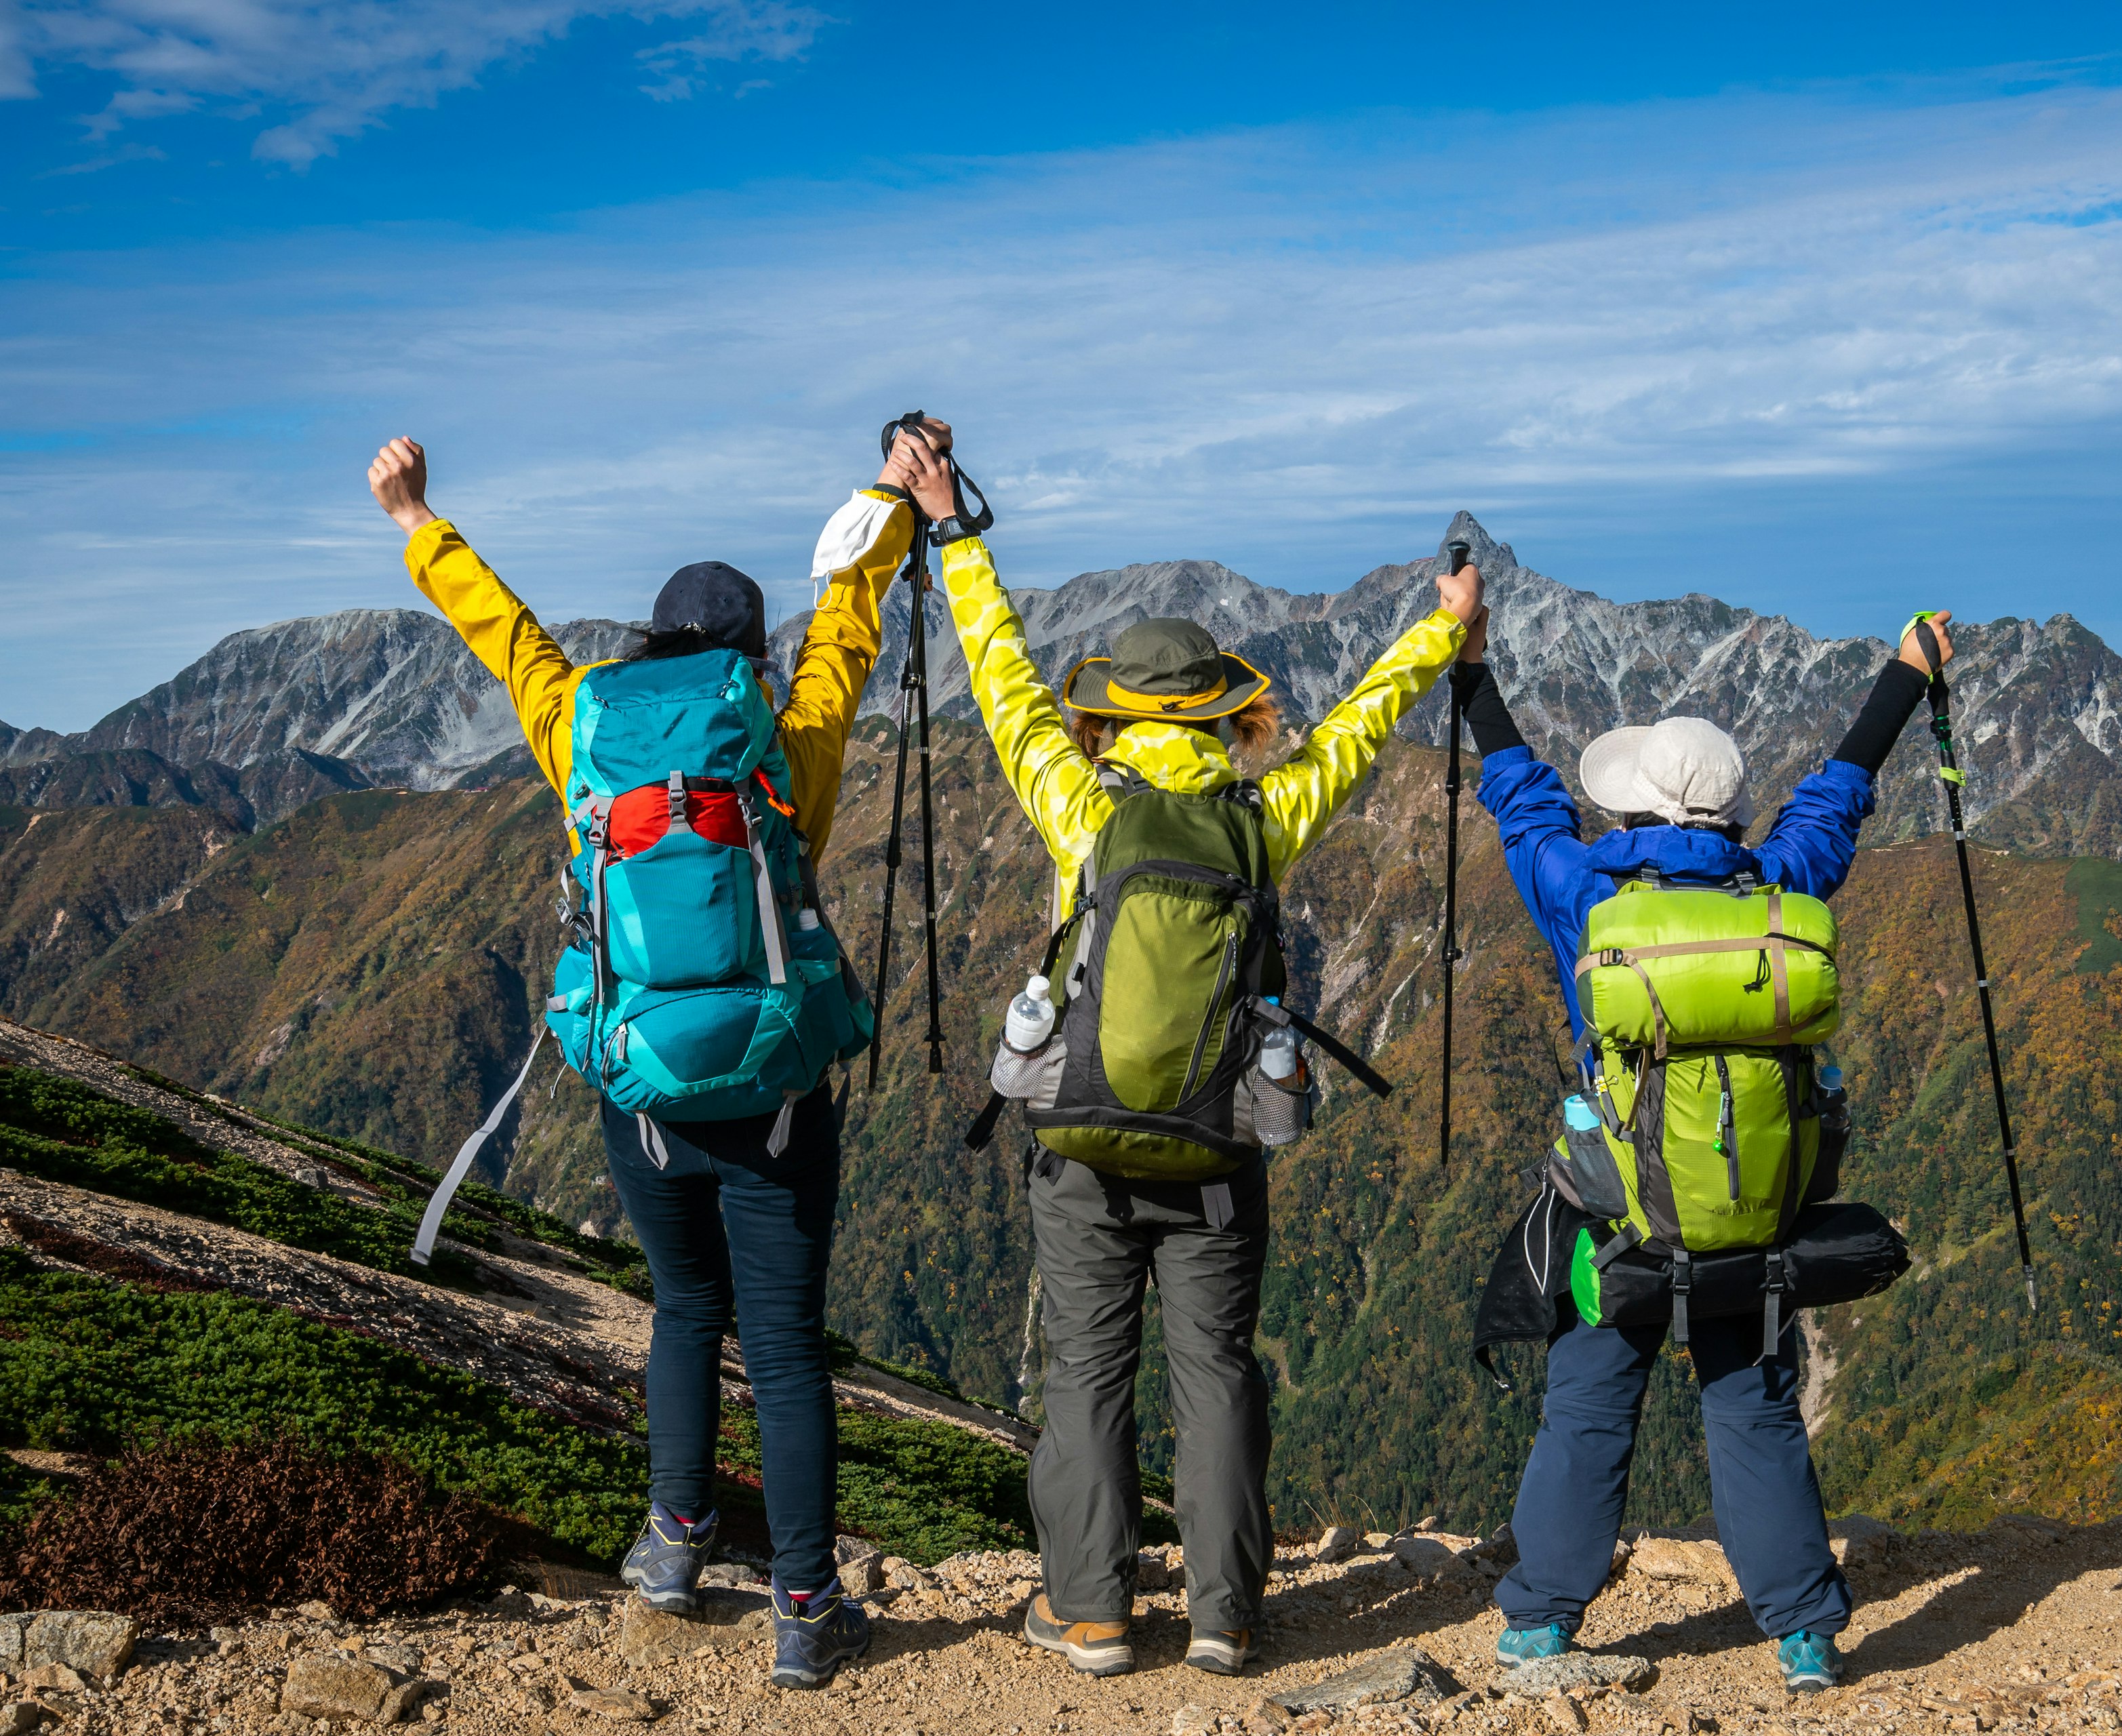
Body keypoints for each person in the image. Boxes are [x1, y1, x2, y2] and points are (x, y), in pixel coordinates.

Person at [881, 426, 1482, 1678]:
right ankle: (1223, 1611)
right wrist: (1443, 629)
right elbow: (1366, 725)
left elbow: (995, 674)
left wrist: (953, 531)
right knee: (1213, 1373)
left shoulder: (1082, 805)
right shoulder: (1264, 818)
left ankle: (1092, 1610)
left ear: (1107, 715)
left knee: (1087, 1372)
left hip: (1082, 1147)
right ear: (1221, 712)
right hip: (1216, 1148)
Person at [365, 432, 927, 1692]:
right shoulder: (785, 738)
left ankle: (674, 1546)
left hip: (641, 1094)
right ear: (751, 654)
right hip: (777, 1091)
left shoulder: (582, 728)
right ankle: (802, 1607)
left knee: (684, 1312)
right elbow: (851, 624)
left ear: (654, 645)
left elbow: (502, 635)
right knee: (783, 1352)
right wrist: (890, 501)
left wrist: (415, 517)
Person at [1454, 603, 1954, 1695]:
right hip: (1756, 1220)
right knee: (1755, 1405)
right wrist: (1906, 674)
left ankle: (1542, 1619)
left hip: (1622, 1219)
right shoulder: (1781, 889)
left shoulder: (1588, 897)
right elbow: (1838, 795)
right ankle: (1806, 1635)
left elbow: (1521, 799)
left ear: (1629, 807)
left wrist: (1473, 671)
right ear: (1727, 815)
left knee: (1589, 1400)